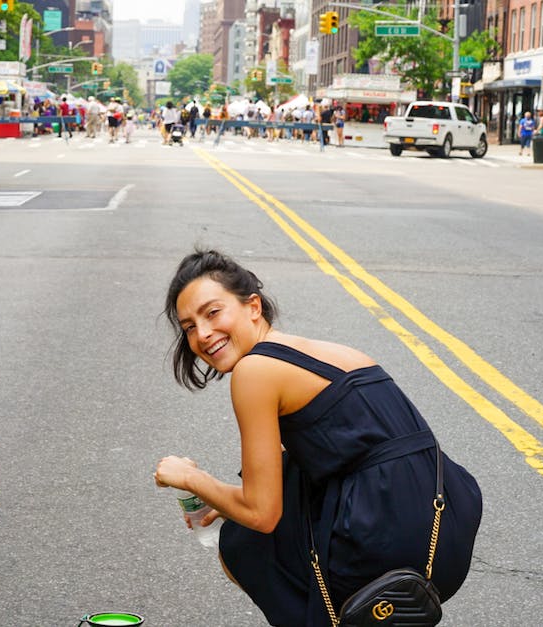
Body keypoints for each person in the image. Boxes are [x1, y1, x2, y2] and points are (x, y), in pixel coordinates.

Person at [155, 249, 482, 626]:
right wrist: (225, 500)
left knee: (245, 543)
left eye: (212, 313)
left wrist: (192, 478)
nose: (203, 334)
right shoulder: (327, 352)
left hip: (388, 539)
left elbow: (262, 514)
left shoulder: (255, 371)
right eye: (189, 326)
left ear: (253, 307)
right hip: (446, 526)